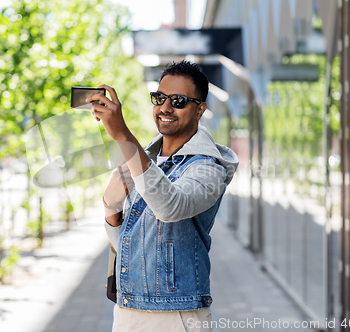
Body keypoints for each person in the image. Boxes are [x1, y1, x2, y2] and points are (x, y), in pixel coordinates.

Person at [87, 60, 239, 332]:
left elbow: (171, 207)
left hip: (175, 314)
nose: (165, 108)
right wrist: (111, 209)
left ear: (200, 109)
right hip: (128, 309)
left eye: (178, 101)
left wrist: (122, 133)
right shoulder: (149, 160)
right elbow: (134, 242)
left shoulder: (208, 168)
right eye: (160, 98)